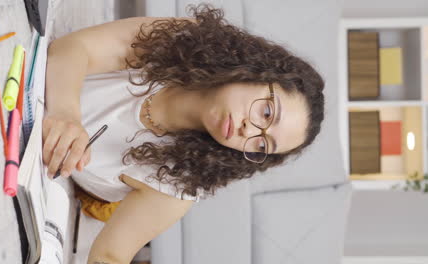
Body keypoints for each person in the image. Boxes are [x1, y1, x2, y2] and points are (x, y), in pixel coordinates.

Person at [43, 4, 324, 264]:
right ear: (259, 73)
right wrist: (66, 114)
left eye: (262, 144)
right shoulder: (184, 41)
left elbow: (111, 255)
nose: (248, 130)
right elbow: (75, 48)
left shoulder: (180, 183)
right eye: (266, 113)